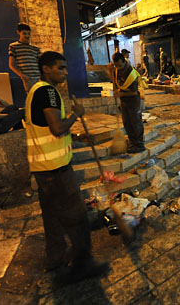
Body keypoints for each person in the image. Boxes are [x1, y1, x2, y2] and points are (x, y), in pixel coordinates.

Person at [25, 51, 109, 281]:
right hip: (56, 170)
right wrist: (76, 114)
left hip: (43, 169)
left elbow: (49, 130)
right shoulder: (47, 91)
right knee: (76, 216)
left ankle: (55, 258)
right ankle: (84, 264)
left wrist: (78, 136)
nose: (65, 72)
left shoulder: (35, 92)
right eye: (60, 68)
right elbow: (57, 128)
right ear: (46, 69)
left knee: (52, 216)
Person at [112, 52, 145, 153]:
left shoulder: (131, 73)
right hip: (124, 101)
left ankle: (139, 145)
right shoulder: (117, 70)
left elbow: (134, 92)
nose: (118, 68)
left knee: (135, 123)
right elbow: (116, 82)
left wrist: (120, 94)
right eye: (116, 66)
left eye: (120, 65)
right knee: (127, 123)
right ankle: (132, 142)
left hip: (133, 101)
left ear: (124, 61)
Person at [9, 23, 41, 92]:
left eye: (28, 34)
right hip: (28, 78)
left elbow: (40, 63)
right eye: (24, 33)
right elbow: (11, 65)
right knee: (32, 97)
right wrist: (22, 75)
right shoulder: (14, 46)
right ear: (18, 32)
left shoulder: (35, 48)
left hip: (39, 77)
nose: (27, 36)